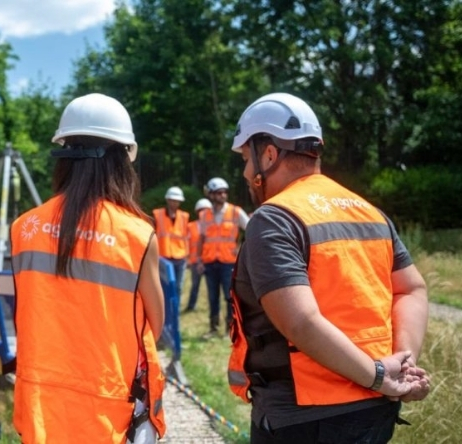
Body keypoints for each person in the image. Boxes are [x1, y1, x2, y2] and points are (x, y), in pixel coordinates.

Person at [226, 92, 430, 443]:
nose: (246, 172)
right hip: (374, 410)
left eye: (246, 158)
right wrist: (401, 365)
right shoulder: (369, 212)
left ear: (269, 154)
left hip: (304, 418)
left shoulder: (275, 218)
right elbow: (412, 288)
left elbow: (301, 321)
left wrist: (380, 375)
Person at [10, 93, 166, 444]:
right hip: (105, 400)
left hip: (39, 399)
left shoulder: (25, 228)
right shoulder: (137, 235)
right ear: (122, 160)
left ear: (63, 156)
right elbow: (154, 324)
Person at [198, 177, 249, 336]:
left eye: (224, 192)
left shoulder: (235, 211)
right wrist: (199, 260)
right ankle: (213, 328)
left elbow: (251, 230)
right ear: (211, 195)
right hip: (210, 262)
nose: (223, 195)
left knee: (229, 297)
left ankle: (230, 328)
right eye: (219, 193)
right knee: (213, 297)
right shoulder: (204, 215)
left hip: (228, 262)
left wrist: (241, 249)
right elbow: (201, 238)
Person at [153, 186, 190, 299]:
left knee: (178, 287)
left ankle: (175, 312)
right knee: (164, 287)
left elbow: (187, 237)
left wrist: (188, 255)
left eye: (177, 201)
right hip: (163, 258)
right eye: (172, 200)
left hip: (180, 258)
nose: (174, 203)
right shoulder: (157, 215)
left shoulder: (184, 216)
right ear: (167, 200)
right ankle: (166, 311)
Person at [184, 198, 212, 312]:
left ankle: (213, 308)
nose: (203, 213)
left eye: (206, 210)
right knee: (195, 285)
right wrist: (188, 260)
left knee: (212, 287)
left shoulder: (213, 226)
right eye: (201, 210)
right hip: (196, 261)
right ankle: (191, 306)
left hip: (210, 260)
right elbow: (186, 243)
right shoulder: (190, 226)